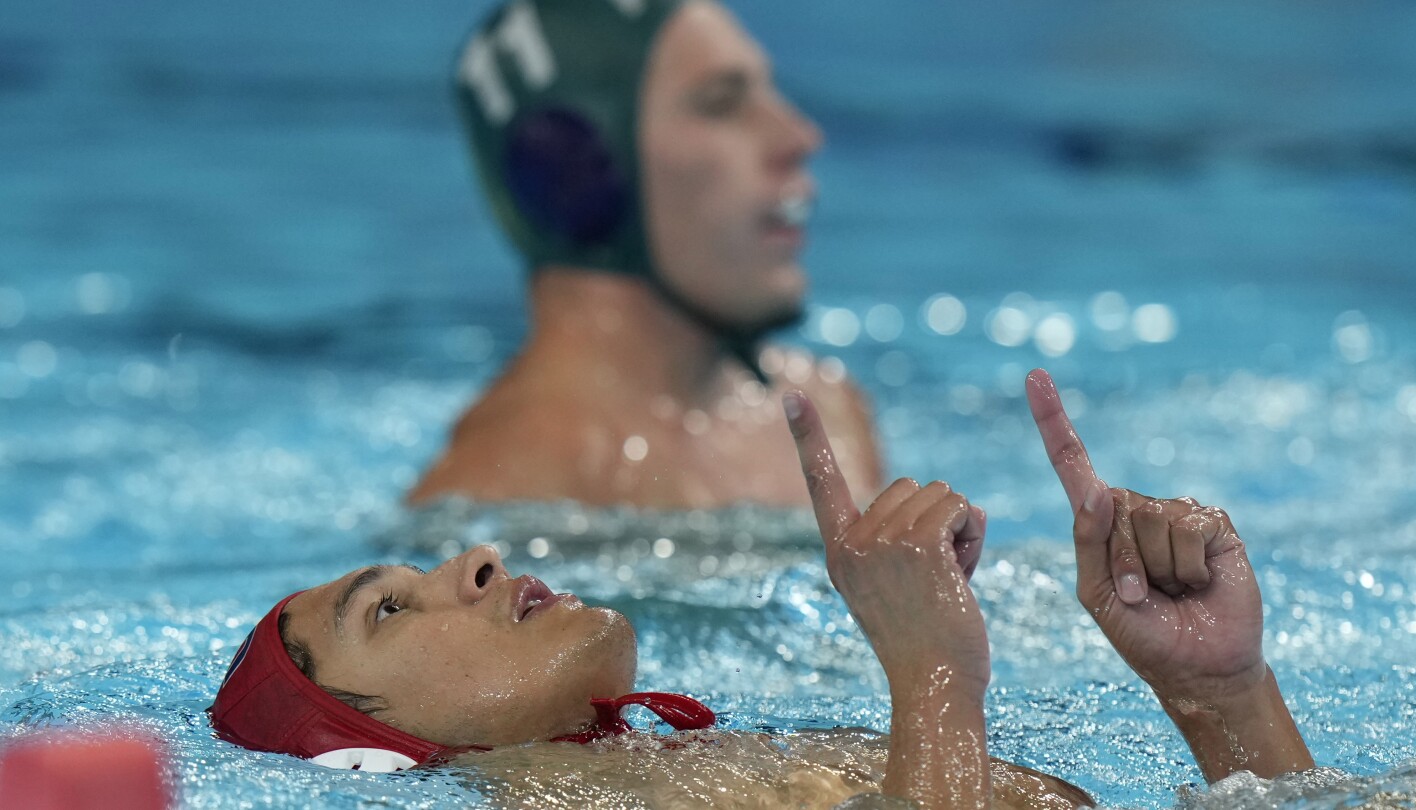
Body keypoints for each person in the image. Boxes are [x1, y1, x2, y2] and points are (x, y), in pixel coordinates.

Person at [212, 375, 1312, 807]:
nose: (477, 562)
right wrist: (931, 675)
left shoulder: (677, 774)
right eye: (390, 610)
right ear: (363, 750)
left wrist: (1220, 699)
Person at [407, 0, 884, 510]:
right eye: (721, 102)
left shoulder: (827, 413)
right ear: (575, 170)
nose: (799, 136)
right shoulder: (496, 495)